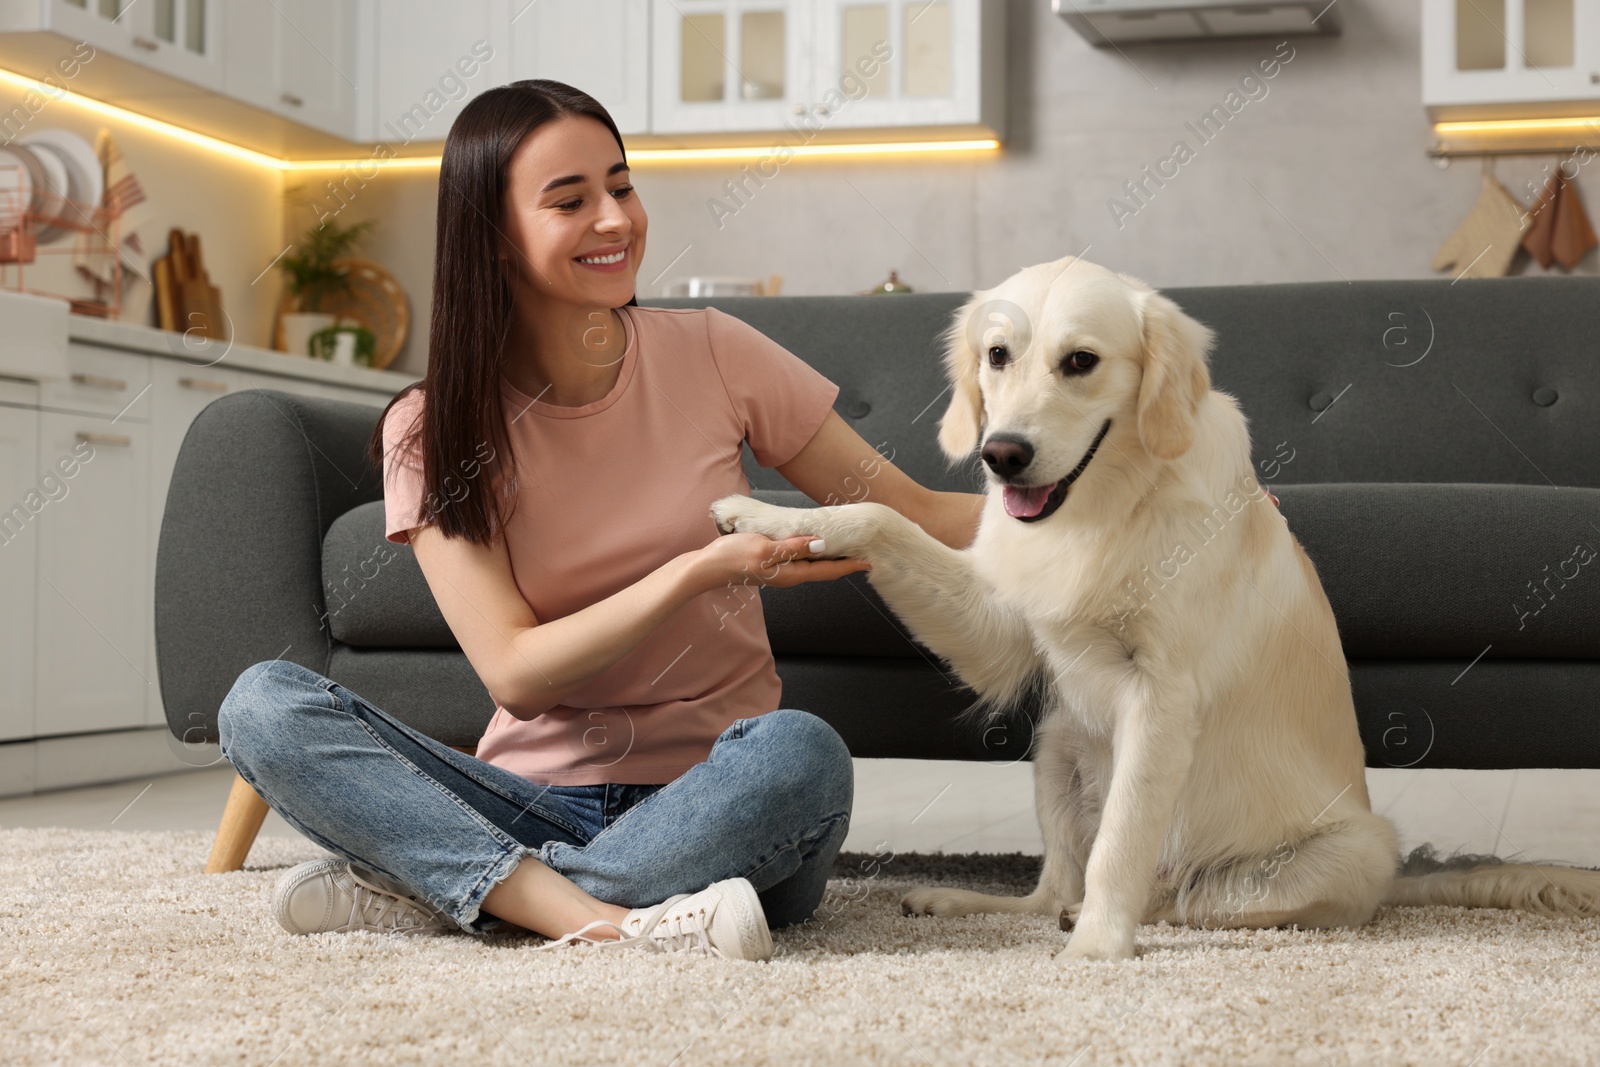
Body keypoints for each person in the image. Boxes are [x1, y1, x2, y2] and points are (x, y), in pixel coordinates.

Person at [215, 80, 983, 961]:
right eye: (570, 200)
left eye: (620, 187)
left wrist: (1101, 511)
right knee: (263, 704)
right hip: (529, 792)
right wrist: (700, 569)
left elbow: (913, 512)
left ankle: (460, 888)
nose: (615, 219)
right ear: (493, 236)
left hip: (720, 794)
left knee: (803, 752)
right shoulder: (431, 429)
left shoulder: (714, 353)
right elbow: (517, 676)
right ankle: (613, 919)